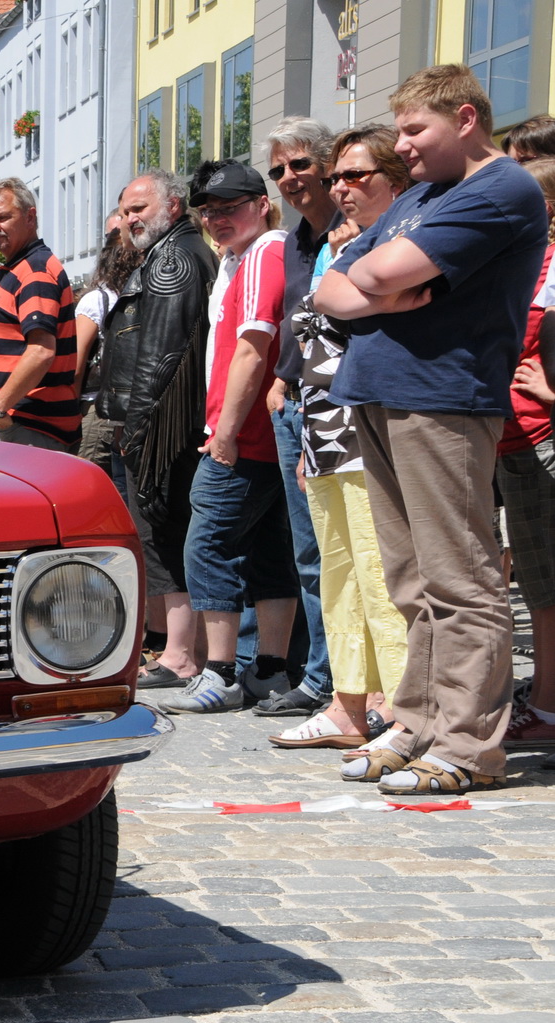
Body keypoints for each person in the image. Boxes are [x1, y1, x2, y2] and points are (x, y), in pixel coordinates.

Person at [313, 65, 548, 795]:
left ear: (466, 118)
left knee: (460, 576)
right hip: (380, 391)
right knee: (409, 581)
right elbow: (332, 279)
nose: (402, 147)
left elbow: (378, 271)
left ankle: (469, 744)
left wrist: (372, 286)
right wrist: (377, 290)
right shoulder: (419, 196)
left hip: (444, 394)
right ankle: (413, 722)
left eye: (415, 130)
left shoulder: (499, 188)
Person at [267, 125, 412, 755]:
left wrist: (348, 272)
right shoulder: (333, 244)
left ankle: (403, 706)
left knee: (382, 571)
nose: (342, 189)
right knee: (339, 570)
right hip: (323, 424)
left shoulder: (402, 236)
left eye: (356, 176)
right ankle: (349, 701)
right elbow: (321, 327)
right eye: (339, 178)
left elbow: (364, 308)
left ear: (396, 183)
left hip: (372, 424)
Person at [162, 161, 298, 714]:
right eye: (208, 212)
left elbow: (252, 347)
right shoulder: (243, 256)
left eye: (229, 208)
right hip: (259, 434)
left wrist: (225, 432)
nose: (217, 219)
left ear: (260, 204)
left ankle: (219, 672)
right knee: (268, 552)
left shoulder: (265, 251)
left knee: (208, 544)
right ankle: (268, 669)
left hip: (244, 435)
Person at [97, 171, 219, 691]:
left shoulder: (172, 257)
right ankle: (180, 650)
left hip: (164, 427)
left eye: (139, 208)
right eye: (125, 211)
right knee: (165, 532)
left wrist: (143, 430)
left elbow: (161, 358)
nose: (130, 219)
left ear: (173, 206)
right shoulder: (175, 252)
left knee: (164, 531)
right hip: (162, 422)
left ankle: (178, 654)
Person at [257, 118, 344, 720]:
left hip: (344, 408)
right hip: (297, 407)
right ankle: (321, 677)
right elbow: (297, 321)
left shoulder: (355, 228)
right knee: (309, 551)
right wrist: (282, 380)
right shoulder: (293, 241)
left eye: (301, 165)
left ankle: (350, 685)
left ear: (330, 166)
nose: (290, 178)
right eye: (279, 169)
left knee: (349, 548)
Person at [493, 158, 555, 752]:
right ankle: (543, 698)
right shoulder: (528, 265)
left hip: (541, 437)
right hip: (515, 440)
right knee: (540, 587)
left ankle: (547, 707)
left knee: (548, 588)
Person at [0, 179, 79, 450]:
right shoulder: (25, 267)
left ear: (30, 217)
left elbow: (41, 351)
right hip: (25, 423)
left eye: (2, 217)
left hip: (31, 424)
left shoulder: (34, 271)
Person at [74, 217, 143, 482]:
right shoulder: (138, 295)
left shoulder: (97, 300)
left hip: (94, 409)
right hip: (125, 410)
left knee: (83, 484)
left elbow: (77, 364)